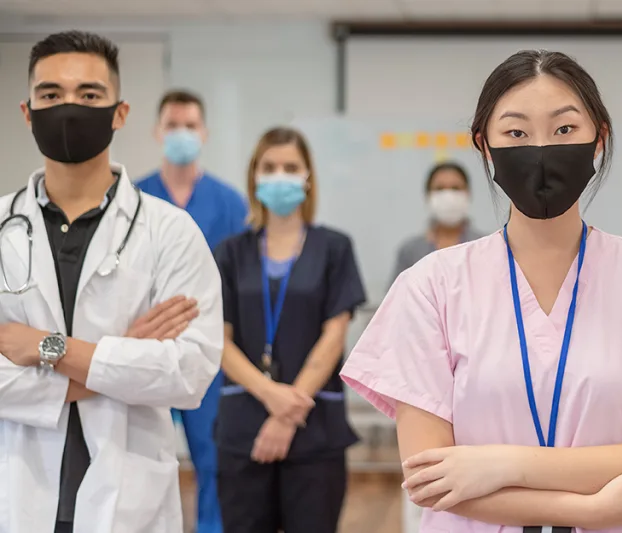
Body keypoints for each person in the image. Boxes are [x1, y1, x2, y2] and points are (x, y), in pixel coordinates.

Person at [341, 49, 622, 533]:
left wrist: (500, 466)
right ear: (485, 146)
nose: (541, 149)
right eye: (516, 132)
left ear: (599, 139)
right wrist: (593, 511)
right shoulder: (430, 286)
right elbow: (432, 479)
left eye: (564, 130)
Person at [0, 30, 223, 533]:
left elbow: (188, 373)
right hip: (15, 493)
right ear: (27, 111)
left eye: (90, 94)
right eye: (51, 95)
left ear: (120, 113)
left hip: (130, 499)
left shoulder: (170, 231)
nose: (70, 108)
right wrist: (123, 355)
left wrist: (48, 347)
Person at [213, 127, 366, 533]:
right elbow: (218, 341)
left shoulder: (335, 248)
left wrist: (285, 415)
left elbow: (334, 337)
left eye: (291, 167)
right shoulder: (229, 253)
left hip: (313, 428)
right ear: (254, 177)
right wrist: (271, 397)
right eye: (269, 167)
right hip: (244, 428)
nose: (280, 175)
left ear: (308, 177)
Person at [135, 88, 247, 533]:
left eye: (190, 126)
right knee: (140, 456)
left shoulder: (230, 203)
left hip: (206, 351)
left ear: (204, 133)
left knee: (211, 459)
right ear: (157, 132)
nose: (181, 133)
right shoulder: (132, 197)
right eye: (173, 125)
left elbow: (239, 285)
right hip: (144, 350)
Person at [392, 161, 484, 282]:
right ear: (428, 196)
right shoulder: (410, 251)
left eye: (455, 188)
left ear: (468, 194)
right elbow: (398, 298)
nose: (448, 196)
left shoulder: (484, 247)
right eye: (439, 189)